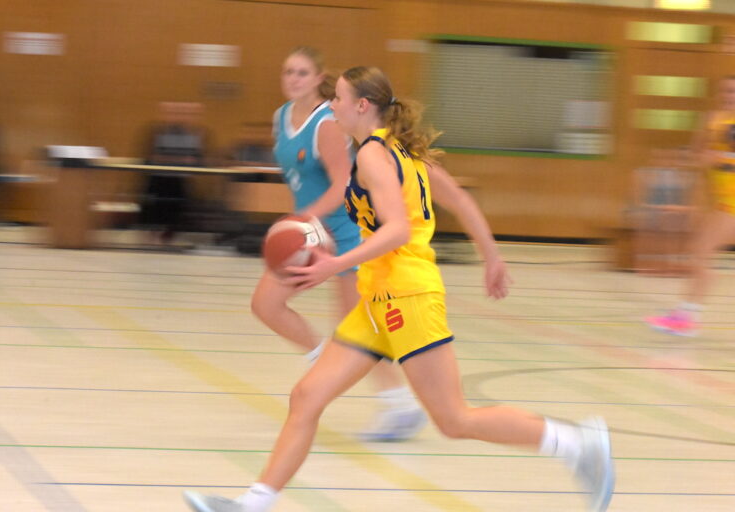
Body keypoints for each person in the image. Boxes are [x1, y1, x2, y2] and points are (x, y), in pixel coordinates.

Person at [184, 66, 614, 512]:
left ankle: (578, 444)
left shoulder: (373, 155)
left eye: (339, 99)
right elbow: (458, 201)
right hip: (379, 298)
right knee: (307, 396)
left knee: (454, 419)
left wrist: (333, 264)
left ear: (362, 107)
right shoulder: (403, 151)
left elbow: (398, 231)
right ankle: (253, 504)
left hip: (407, 296)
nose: (331, 105)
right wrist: (491, 257)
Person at [251, 47, 426, 441]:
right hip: (311, 234)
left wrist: (304, 217)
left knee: (355, 329)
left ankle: (401, 406)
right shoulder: (281, 117)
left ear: (317, 78)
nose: (293, 78)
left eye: (301, 73)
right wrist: (301, 225)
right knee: (265, 304)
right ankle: (322, 363)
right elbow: (298, 176)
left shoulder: (327, 124)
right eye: (287, 71)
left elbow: (342, 183)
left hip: (344, 231)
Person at [646, 75, 735, 336]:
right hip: (720, 201)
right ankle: (685, 315)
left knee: (701, 254)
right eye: (725, 90)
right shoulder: (712, 119)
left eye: (733, 91)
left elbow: (718, 159)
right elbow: (696, 157)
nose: (728, 95)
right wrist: (701, 159)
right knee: (699, 254)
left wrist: (718, 159)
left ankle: (686, 316)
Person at [141, 101, 209, 246]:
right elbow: (152, 157)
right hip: (159, 178)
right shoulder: (157, 132)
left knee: (177, 208)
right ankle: (153, 233)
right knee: (156, 207)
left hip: (180, 179)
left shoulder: (196, 134)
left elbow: (197, 159)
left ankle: (168, 236)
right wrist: (179, 159)